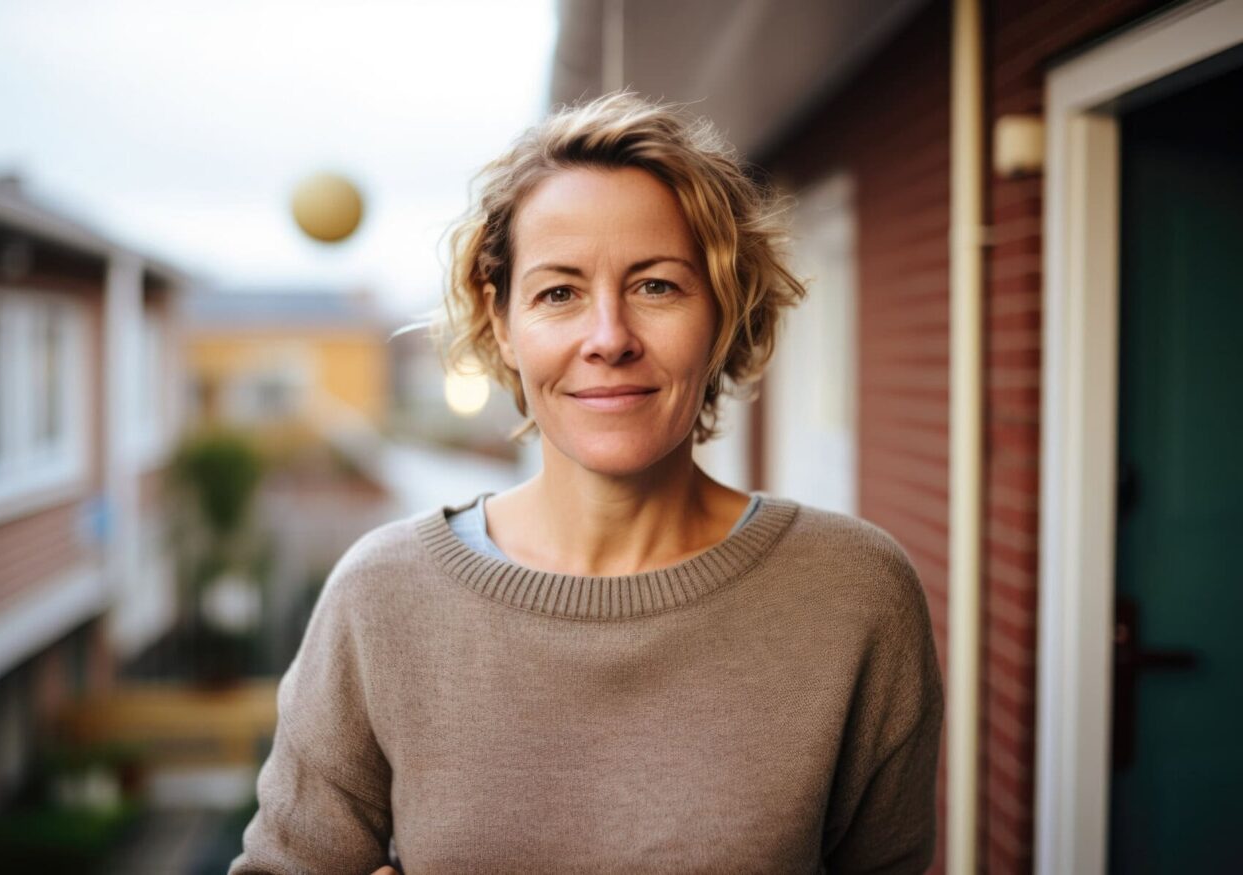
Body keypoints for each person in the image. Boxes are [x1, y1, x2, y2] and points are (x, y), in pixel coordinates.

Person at [230, 92, 943, 875]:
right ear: (502, 322)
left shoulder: (855, 594)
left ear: (725, 310)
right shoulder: (381, 598)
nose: (608, 338)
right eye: (559, 292)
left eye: (657, 286)